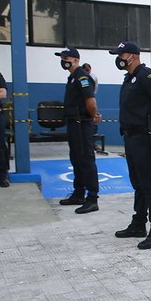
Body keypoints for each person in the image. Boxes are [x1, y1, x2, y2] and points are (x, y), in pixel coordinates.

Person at [110, 41, 151, 250]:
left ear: (133, 56)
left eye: (121, 55)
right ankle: (138, 223)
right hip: (132, 136)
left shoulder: (147, 76)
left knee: (150, 182)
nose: (118, 59)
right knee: (138, 182)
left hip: (145, 136)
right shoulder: (130, 78)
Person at [55, 46, 101, 214]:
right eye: (62, 58)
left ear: (75, 60)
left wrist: (92, 115)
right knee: (76, 158)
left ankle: (92, 198)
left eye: (66, 58)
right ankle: (79, 193)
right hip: (74, 123)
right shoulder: (73, 77)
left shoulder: (82, 77)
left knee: (86, 159)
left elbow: (91, 101)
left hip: (82, 123)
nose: (63, 61)